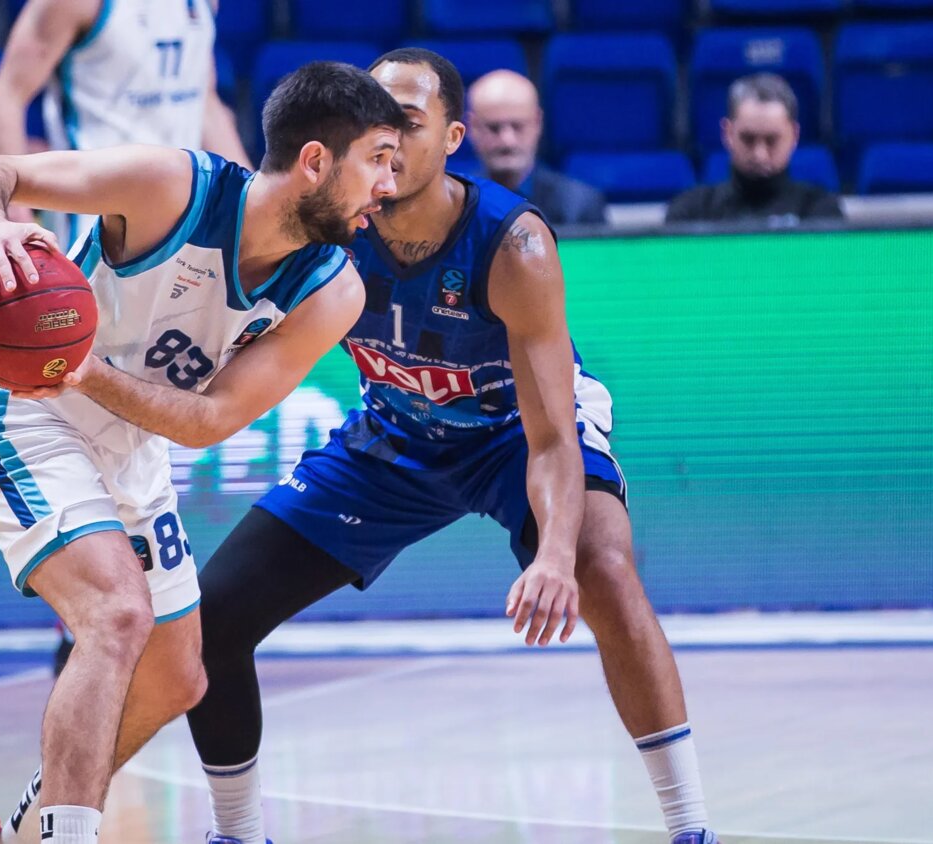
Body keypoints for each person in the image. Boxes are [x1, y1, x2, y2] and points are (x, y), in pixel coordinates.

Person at [184, 49, 721, 844]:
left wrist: (552, 554)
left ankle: (690, 826)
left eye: (407, 122)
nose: (389, 141)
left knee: (601, 567)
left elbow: (550, 435)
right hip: (394, 433)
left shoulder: (514, 245)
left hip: (514, 435)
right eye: (375, 122)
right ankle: (236, 833)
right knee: (212, 618)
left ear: (453, 137)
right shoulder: (327, 227)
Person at [0, 60, 404, 844]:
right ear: (317, 160)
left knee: (180, 676)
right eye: (379, 159)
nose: (389, 185)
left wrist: (92, 374)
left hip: (130, 445)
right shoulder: (170, 187)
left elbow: (210, 420)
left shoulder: (333, 291)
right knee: (116, 615)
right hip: (21, 413)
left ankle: (32, 821)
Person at [0, 0, 252, 243]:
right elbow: (6, 96)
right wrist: (18, 215)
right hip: (94, 226)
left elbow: (205, 105)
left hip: (185, 220)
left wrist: (251, 193)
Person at [667, 72, 843, 224]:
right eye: (748, 139)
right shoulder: (691, 213)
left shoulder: (821, 213)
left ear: (794, 136)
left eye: (772, 140)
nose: (760, 155)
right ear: (728, 133)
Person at [466, 68, 606, 225]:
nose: (507, 141)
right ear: (472, 127)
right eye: (494, 128)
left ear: (537, 123)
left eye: (518, 126)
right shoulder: (453, 206)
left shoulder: (578, 204)